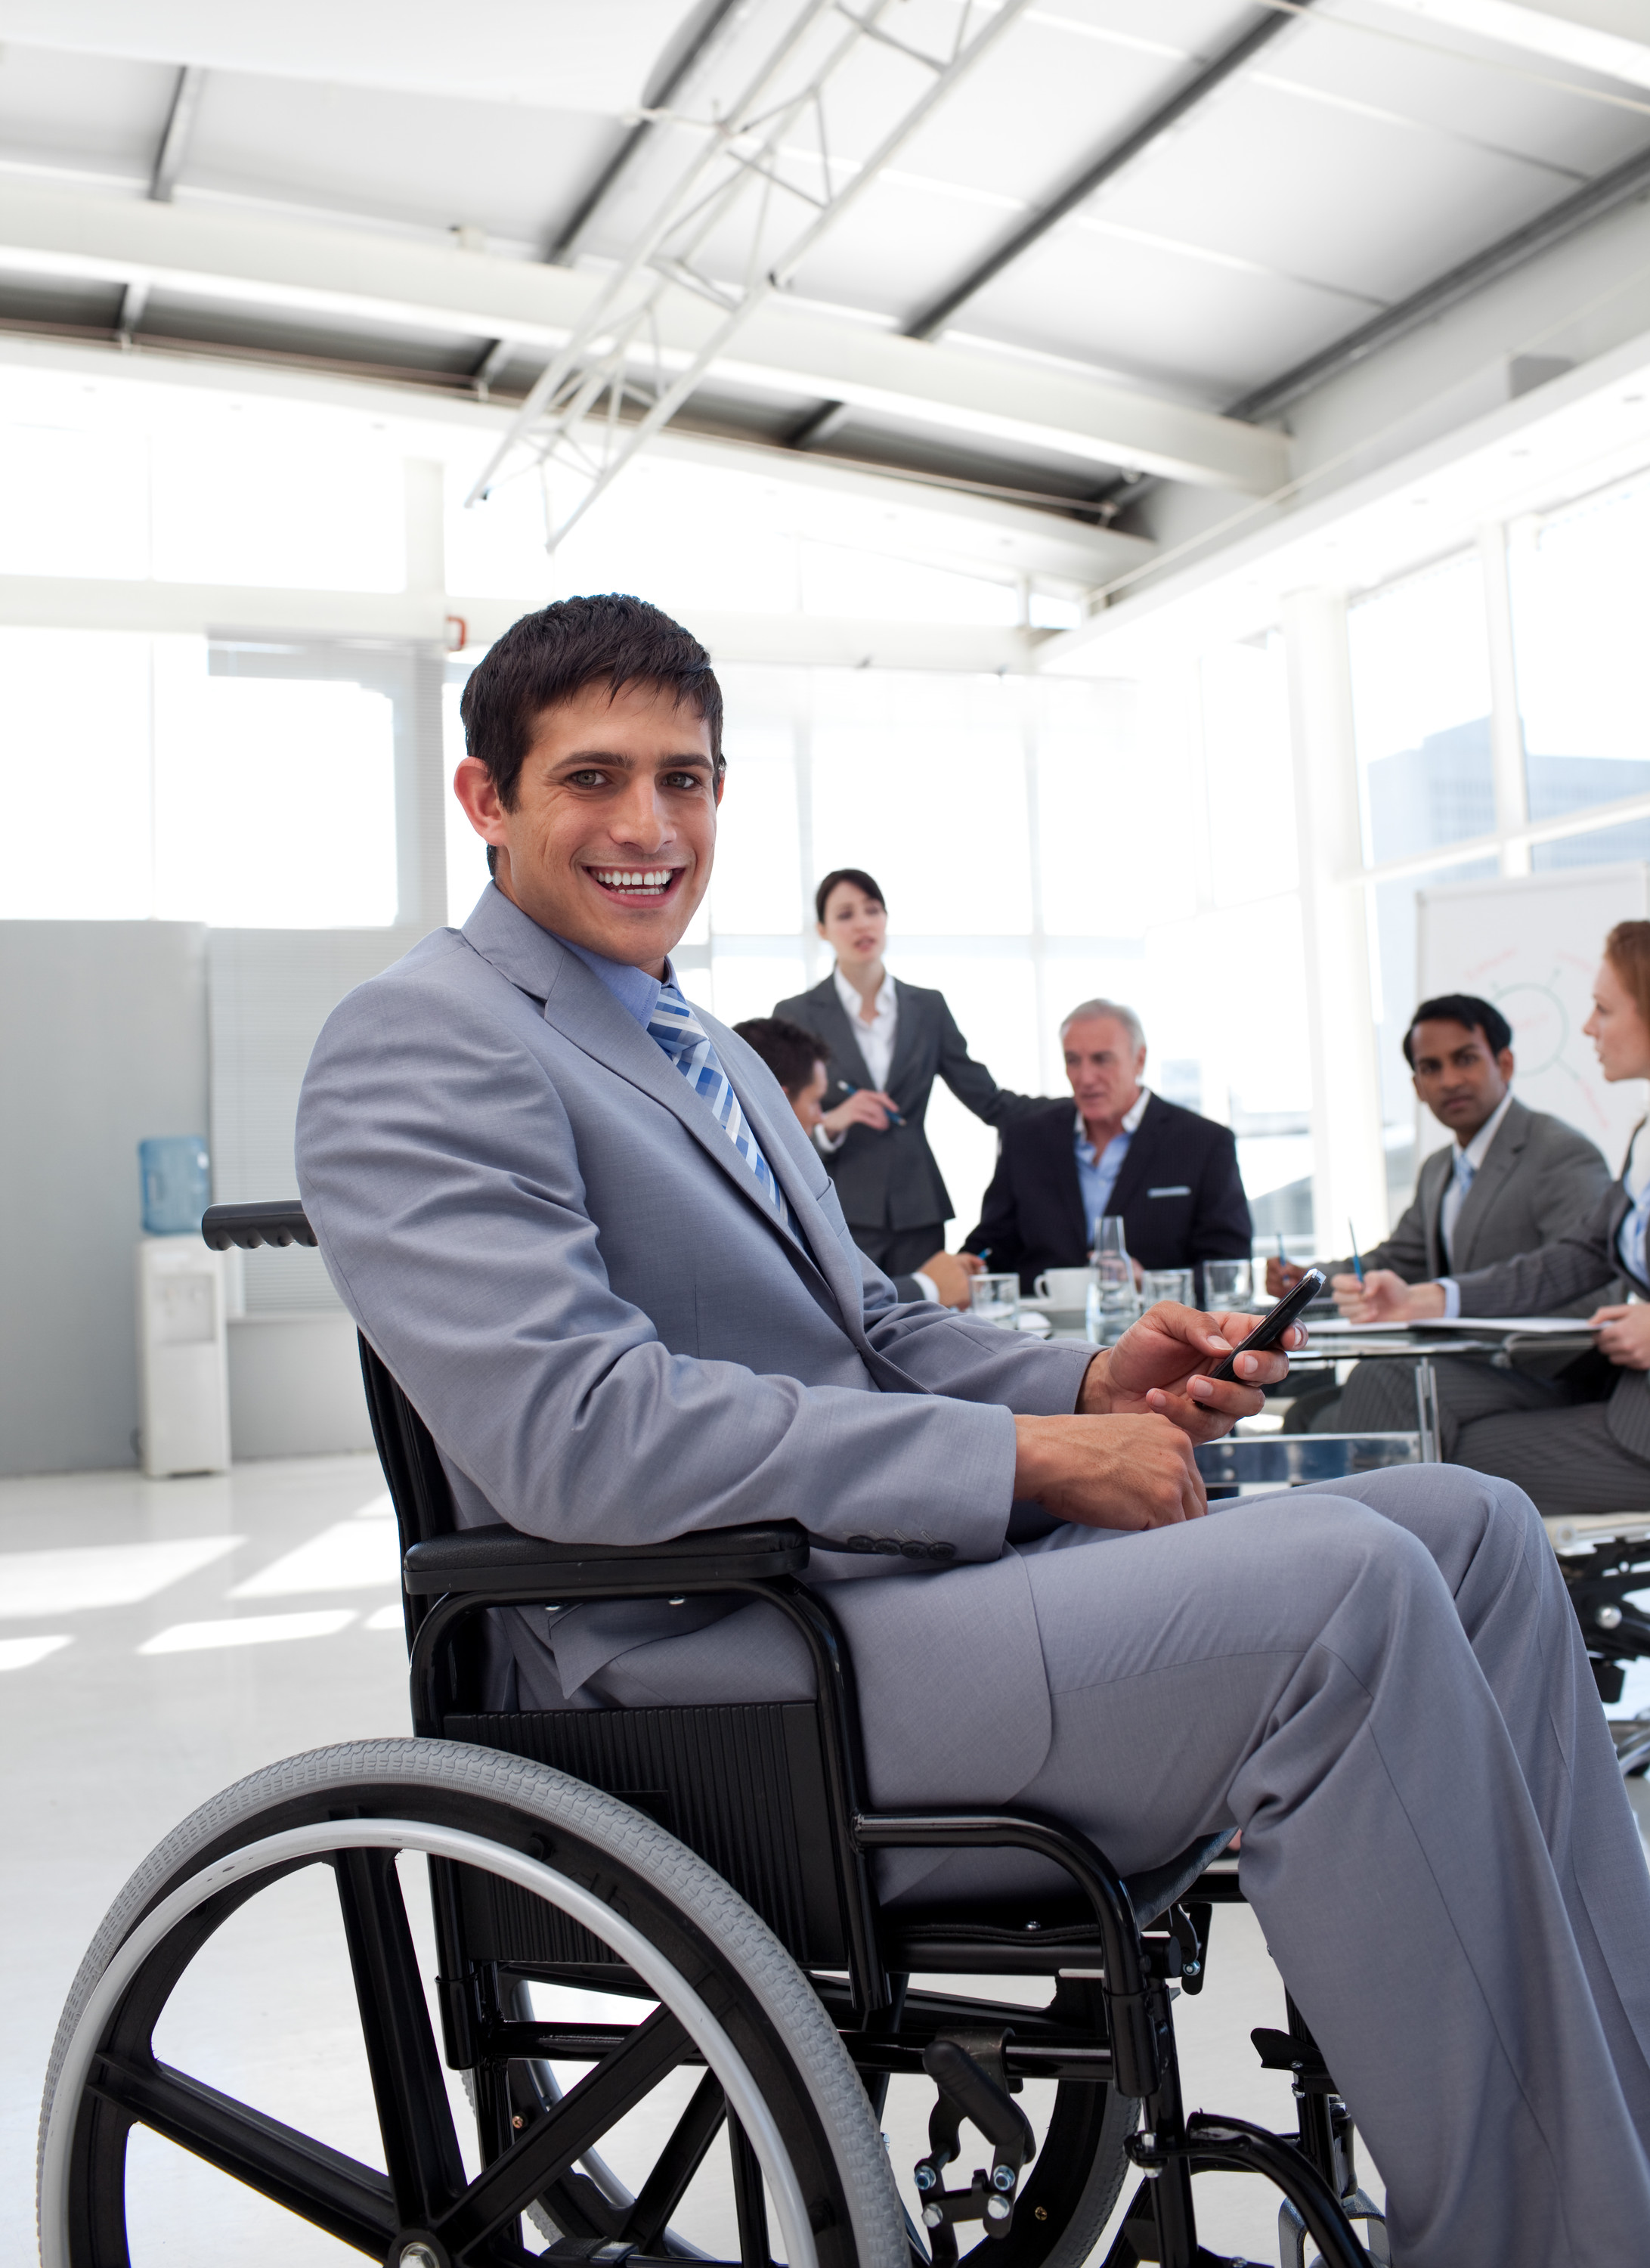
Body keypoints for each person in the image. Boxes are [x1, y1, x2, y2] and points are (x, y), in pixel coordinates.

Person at [296, 594, 1650, 2268]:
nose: (649, 827)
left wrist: (1086, 1387)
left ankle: (1623, 2157)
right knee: (1347, 1598)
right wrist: (1021, 1464)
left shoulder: (693, 1042)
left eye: (685, 779)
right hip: (705, 1664)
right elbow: (584, 1436)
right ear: (483, 799)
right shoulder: (421, 1040)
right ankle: (1545, 2243)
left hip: (863, 1598)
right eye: (593, 779)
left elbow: (867, 1328)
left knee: (1472, 1531)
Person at [1333, 923, 1650, 1519]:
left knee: (1435, 1457)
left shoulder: (1557, 1149)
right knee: (1431, 1450)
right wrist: (1424, 1300)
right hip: (1628, 1407)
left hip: (1618, 1414)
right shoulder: (1645, 1138)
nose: (1587, 1027)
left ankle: (1379, 1595)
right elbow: (1572, 1258)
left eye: (1603, 1009)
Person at [773, 871, 1042, 1281]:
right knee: (850, 1327)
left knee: (928, 1326)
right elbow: (776, 1127)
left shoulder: (928, 1008)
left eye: (872, 910)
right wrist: (835, 1121)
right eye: (846, 914)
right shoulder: (796, 1014)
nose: (863, 923)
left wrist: (1077, 1109)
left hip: (919, 1206)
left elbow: (986, 1099)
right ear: (823, 930)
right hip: (839, 1204)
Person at [1265, 993, 1612, 1303]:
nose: (1449, 1081)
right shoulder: (1438, 1169)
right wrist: (1308, 1279)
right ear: (1418, 1087)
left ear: (1504, 1064)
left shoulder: (1561, 1153)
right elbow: (1397, 1263)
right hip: (1455, 1356)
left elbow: (1592, 1289)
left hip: (1536, 1366)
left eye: (1465, 1059)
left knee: (1373, 1377)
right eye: (1431, 1068)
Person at [964, 999, 1252, 1294]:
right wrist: (962, 1268)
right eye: (1073, 1060)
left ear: (1139, 1061)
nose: (1085, 1078)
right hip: (1040, 1332)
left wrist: (1151, 1285)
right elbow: (989, 1247)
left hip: (1156, 1331)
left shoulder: (1203, 1142)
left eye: (1102, 1059)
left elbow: (1228, 1266)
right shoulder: (1027, 1139)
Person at [732, 1015, 980, 1309]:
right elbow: (813, 1306)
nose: (820, 1117)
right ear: (779, 1099)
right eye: (816, 1102)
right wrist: (927, 1287)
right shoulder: (759, 1191)